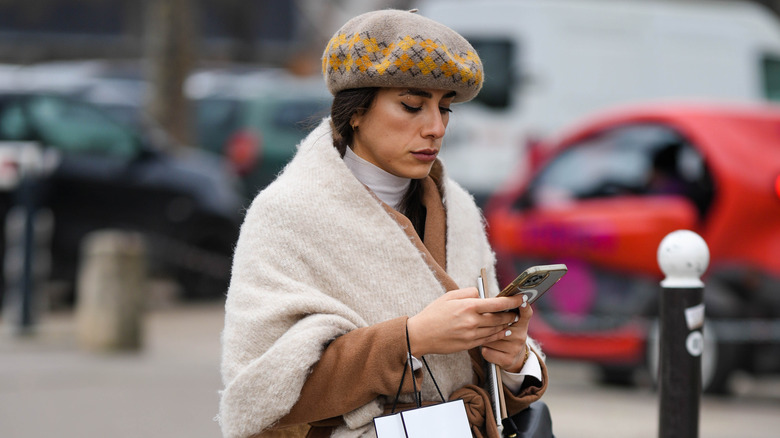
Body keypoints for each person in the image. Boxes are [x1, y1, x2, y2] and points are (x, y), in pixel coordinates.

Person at [218, 9, 548, 438]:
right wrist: (410, 338)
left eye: (445, 109)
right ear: (355, 110)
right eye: (412, 105)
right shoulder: (285, 213)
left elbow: (488, 384)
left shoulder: (461, 209)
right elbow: (257, 395)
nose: (434, 128)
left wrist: (514, 357)